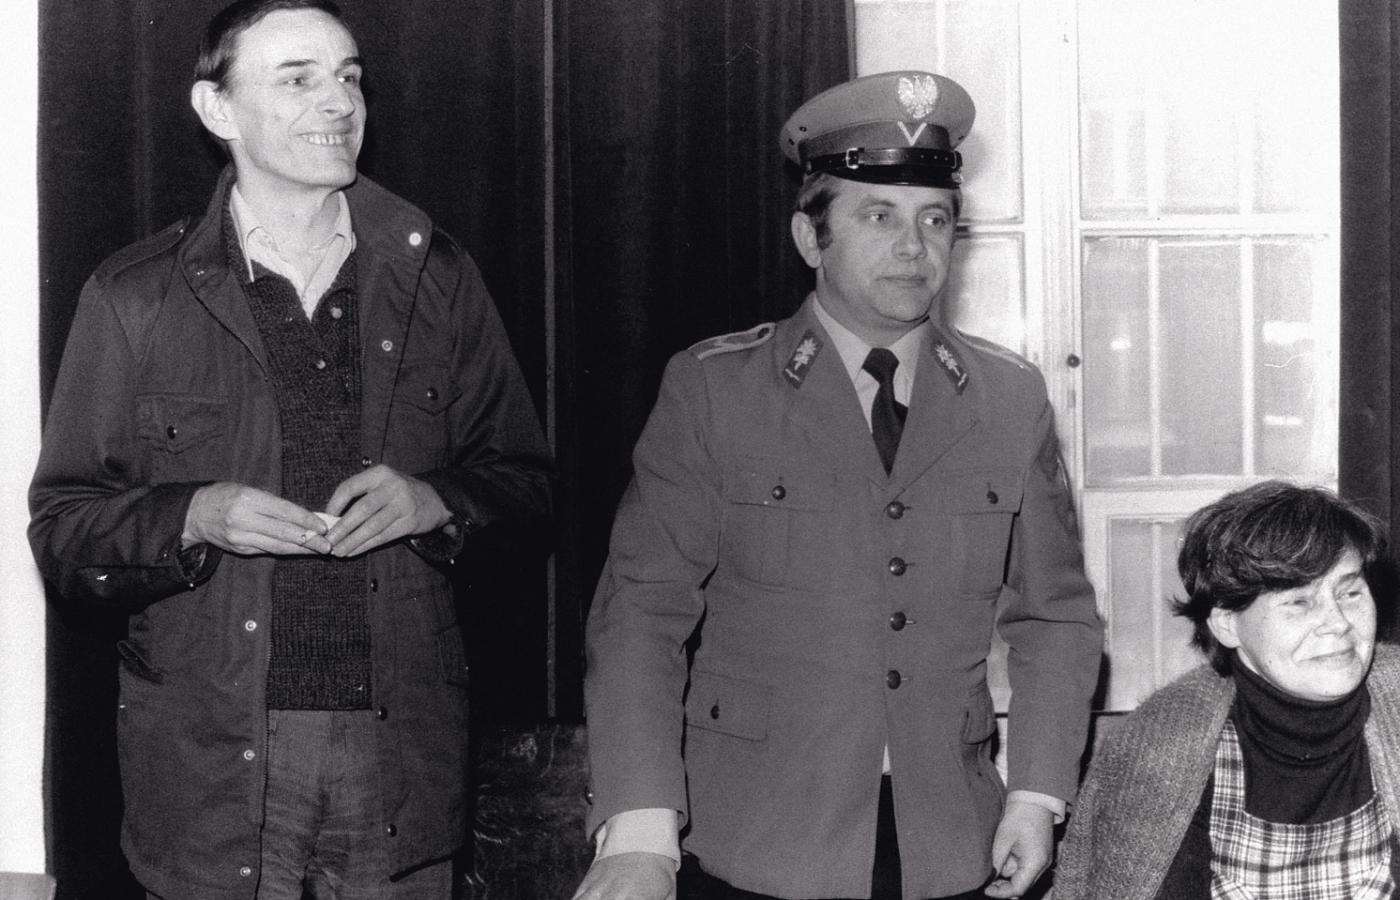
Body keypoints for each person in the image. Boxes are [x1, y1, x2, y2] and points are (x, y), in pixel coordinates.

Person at [27, 1, 552, 897]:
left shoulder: (436, 276)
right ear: (217, 110)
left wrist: (436, 502)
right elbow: (65, 533)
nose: (339, 102)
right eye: (298, 79)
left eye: (349, 77)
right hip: (211, 765)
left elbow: (527, 491)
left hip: (399, 758)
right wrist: (194, 516)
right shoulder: (134, 298)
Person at [573, 71, 1103, 900]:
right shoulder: (716, 389)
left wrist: (1036, 795)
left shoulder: (1009, 398)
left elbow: (1056, 617)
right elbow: (640, 611)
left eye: (936, 219)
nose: (914, 246)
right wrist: (640, 830)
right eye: (878, 216)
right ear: (809, 236)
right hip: (753, 838)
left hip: (950, 842)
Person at [1053, 481, 1400, 899]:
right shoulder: (1159, 748)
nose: (1339, 622)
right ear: (1227, 624)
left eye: (1350, 592)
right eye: (1299, 602)